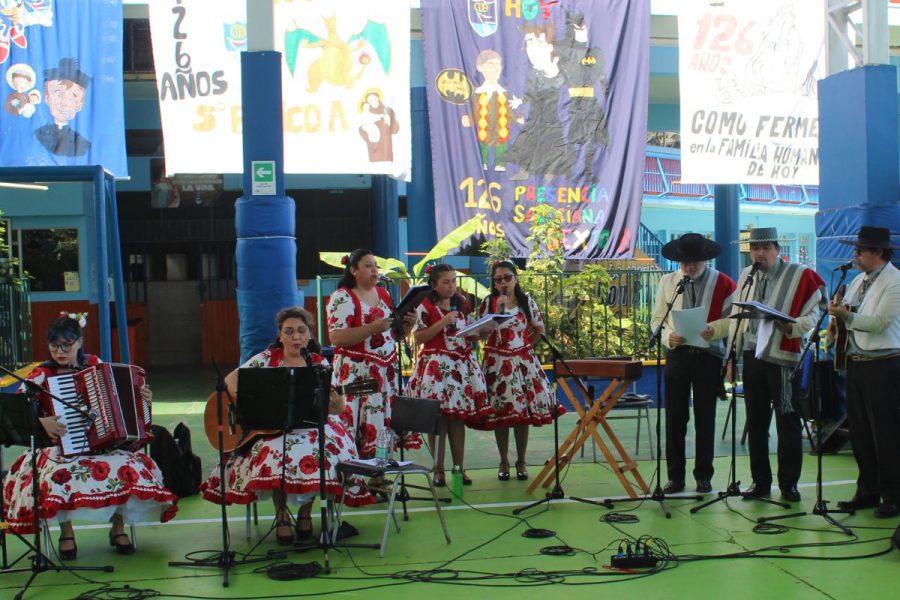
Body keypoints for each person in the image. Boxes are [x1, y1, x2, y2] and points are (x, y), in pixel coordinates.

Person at [2, 314, 177, 559]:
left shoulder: (94, 364)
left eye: (67, 345)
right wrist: (41, 422)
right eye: (54, 346)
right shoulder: (41, 375)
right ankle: (66, 532)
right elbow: (15, 412)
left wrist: (143, 398)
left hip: (102, 443)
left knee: (128, 466)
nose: (60, 352)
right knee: (58, 475)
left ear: (79, 342)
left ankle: (118, 529)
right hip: (57, 446)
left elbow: (119, 400)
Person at [199, 307, 374, 545]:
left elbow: (338, 408)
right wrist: (249, 404)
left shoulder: (319, 363)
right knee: (275, 453)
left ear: (309, 335)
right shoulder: (265, 359)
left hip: (312, 426)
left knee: (319, 452)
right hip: (272, 426)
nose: (295, 337)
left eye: (301, 331)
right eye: (289, 332)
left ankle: (305, 516)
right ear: (280, 335)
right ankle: (282, 517)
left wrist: (333, 398)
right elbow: (229, 381)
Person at [727, 227, 825, 502]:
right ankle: (760, 482)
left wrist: (790, 325)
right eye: (754, 248)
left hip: (782, 357)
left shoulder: (799, 275)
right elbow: (737, 315)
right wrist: (731, 356)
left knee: (787, 420)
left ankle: (788, 483)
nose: (759, 253)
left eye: (765, 248)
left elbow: (813, 317)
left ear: (777, 249)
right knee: (756, 422)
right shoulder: (746, 275)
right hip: (752, 355)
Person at [651, 234, 736, 494]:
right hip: (677, 354)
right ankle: (675, 477)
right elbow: (657, 320)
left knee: (705, 417)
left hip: (708, 356)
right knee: (675, 418)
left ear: (705, 258)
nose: (689, 267)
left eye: (694, 261)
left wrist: (715, 329)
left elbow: (734, 319)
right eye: (684, 262)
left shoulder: (723, 282)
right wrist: (667, 336)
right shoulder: (668, 282)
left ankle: (704, 476)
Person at [828, 226, 900, 519]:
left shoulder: (895, 281)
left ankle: (893, 495)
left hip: (884, 364)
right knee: (859, 432)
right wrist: (837, 324)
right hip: (856, 362)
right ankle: (867, 490)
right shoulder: (859, 279)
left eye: (860, 250)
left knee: (886, 432)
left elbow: (880, 322)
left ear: (878, 253)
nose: (855, 255)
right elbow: (850, 312)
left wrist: (847, 317)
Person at [326, 249, 419, 463]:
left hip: (384, 375)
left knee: (381, 424)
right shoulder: (343, 296)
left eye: (375, 265)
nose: (374, 269)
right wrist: (372, 328)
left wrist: (409, 324)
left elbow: (393, 336)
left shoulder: (384, 294)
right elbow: (336, 337)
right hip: (357, 375)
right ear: (353, 270)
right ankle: (353, 476)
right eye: (368, 265)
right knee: (354, 423)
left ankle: (378, 475)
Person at [407, 263, 490, 486]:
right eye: (446, 282)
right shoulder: (424, 305)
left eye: (453, 281)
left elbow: (468, 331)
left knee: (457, 419)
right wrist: (443, 322)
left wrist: (482, 331)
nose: (451, 286)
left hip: (461, 366)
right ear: (434, 285)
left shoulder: (461, 303)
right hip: (436, 367)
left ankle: (458, 468)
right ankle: (438, 469)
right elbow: (419, 338)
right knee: (438, 419)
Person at [477, 260, 561, 480]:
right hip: (496, 362)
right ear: (493, 282)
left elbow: (539, 329)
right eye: (498, 279)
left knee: (522, 414)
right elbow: (480, 334)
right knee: (500, 413)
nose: (503, 282)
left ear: (515, 278)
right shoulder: (488, 303)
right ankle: (503, 461)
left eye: (507, 277)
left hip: (522, 363)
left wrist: (524, 348)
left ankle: (521, 461)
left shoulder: (526, 302)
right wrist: (496, 313)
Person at [461, 49, 513, 172]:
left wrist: (517, 118)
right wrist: (470, 119)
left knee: (502, 144)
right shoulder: (478, 93)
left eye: (498, 64)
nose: (496, 68)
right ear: (480, 67)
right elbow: (476, 111)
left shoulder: (503, 93)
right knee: (482, 143)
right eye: (491, 64)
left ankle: (500, 163)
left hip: (500, 127)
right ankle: (482, 162)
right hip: (484, 127)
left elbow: (507, 111)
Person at [34, 58, 92, 157]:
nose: (64, 103)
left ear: (79, 104)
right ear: (47, 98)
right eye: (59, 95)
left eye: (72, 97)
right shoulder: (36, 136)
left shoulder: (83, 145)